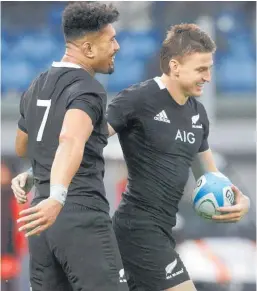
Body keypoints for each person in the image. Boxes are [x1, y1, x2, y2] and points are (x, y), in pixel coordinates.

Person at [12, 24, 250, 291]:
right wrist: (39, 173)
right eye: (200, 69)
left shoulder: (198, 115)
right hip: (137, 230)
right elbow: (86, 140)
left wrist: (240, 199)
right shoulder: (138, 99)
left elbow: (208, 174)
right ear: (175, 66)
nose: (207, 76)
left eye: (209, 68)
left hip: (163, 231)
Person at [12, 2, 128, 291]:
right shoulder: (88, 88)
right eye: (111, 39)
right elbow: (70, 139)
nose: (117, 46)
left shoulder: (37, 84)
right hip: (77, 213)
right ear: (88, 48)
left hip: (41, 221)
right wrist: (58, 195)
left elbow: (23, 145)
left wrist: (35, 174)